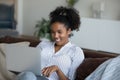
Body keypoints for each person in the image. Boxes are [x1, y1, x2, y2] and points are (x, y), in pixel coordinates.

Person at [36, 6, 85, 80]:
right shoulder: (43, 45)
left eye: (59, 32)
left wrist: (57, 69)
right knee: (27, 75)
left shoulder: (76, 52)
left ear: (69, 31)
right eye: (53, 32)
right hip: (31, 77)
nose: (55, 36)